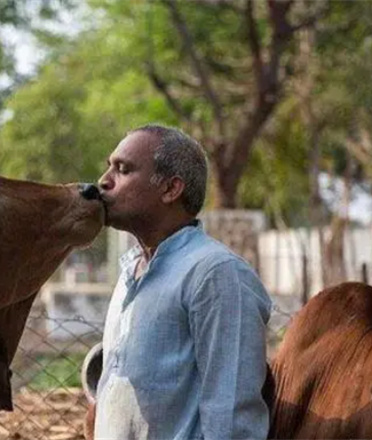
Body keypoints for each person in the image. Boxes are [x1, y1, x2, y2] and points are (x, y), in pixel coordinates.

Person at [89, 124, 272, 440]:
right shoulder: (130, 270)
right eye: (109, 167)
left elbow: (230, 421)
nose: (103, 182)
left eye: (123, 169)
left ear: (171, 189)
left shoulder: (215, 274)